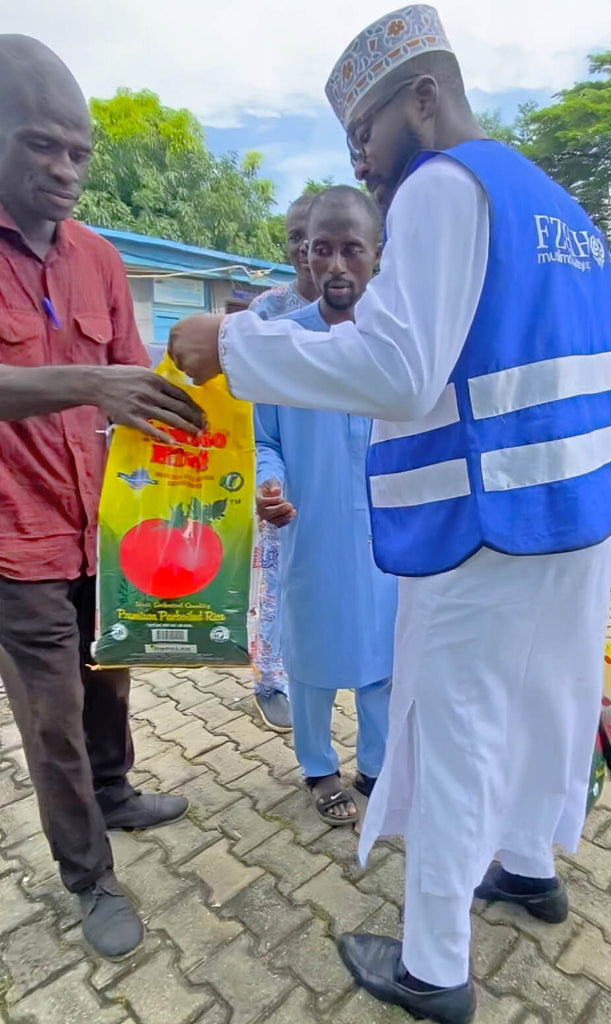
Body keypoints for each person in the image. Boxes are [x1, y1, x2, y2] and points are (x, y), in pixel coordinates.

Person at [169, 6, 611, 1021]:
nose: (369, 168)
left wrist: (236, 343)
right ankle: (526, 866)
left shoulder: (444, 187)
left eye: (368, 139)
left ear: (421, 100)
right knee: (542, 700)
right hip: (579, 511)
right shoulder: (562, 207)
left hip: (488, 523)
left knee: (457, 724)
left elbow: (394, 365)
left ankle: (435, 966)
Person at [0, 35, 205, 961]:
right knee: (53, 725)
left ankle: (118, 794)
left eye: (79, 151)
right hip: (17, 542)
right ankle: (89, 881)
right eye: (44, 145)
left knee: (110, 679)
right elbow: (101, 380)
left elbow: (133, 376)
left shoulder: (101, 258)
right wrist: (92, 383)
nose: (67, 169)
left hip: (104, 524)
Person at [255, 185, 396, 824]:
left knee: (382, 660)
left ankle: (377, 765)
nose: (336, 265)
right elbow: (266, 441)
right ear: (304, 257)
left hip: (389, 533)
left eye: (352, 249)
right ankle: (317, 766)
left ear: (376, 256)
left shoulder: (397, 345)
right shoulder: (278, 344)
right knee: (311, 660)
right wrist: (270, 484)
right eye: (321, 250)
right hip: (311, 530)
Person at [245, 193, 320, 732]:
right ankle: (271, 679)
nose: (303, 248)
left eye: (312, 236)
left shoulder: (371, 310)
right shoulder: (267, 311)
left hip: (347, 471)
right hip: (283, 463)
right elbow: (250, 406)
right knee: (276, 574)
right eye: (294, 236)